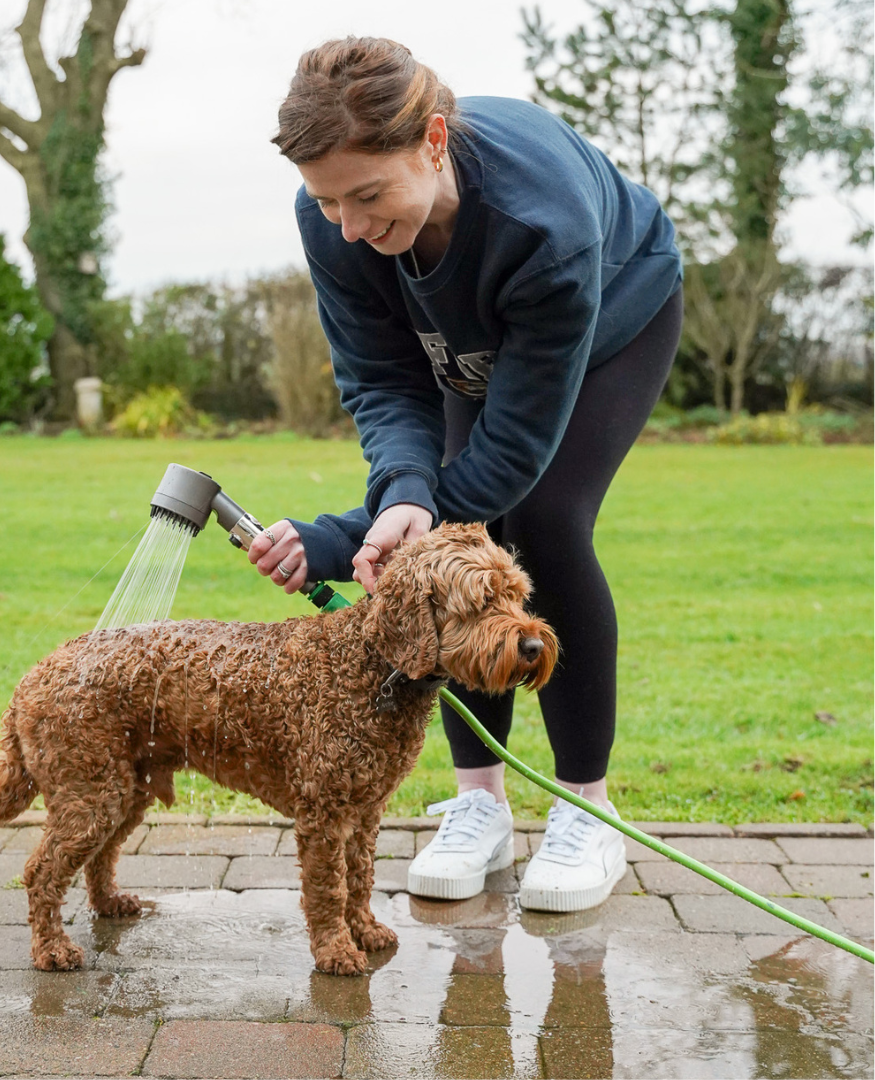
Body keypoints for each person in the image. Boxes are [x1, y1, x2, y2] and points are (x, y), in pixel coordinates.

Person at [248, 36, 683, 912]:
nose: (349, 227)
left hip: (611, 327)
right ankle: (479, 803)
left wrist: (341, 539)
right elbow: (383, 378)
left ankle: (586, 810)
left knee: (544, 520)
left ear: (434, 142)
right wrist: (402, 496)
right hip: (461, 347)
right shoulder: (334, 217)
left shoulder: (542, 223)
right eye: (327, 200)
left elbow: (514, 451)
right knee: (453, 535)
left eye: (368, 196)